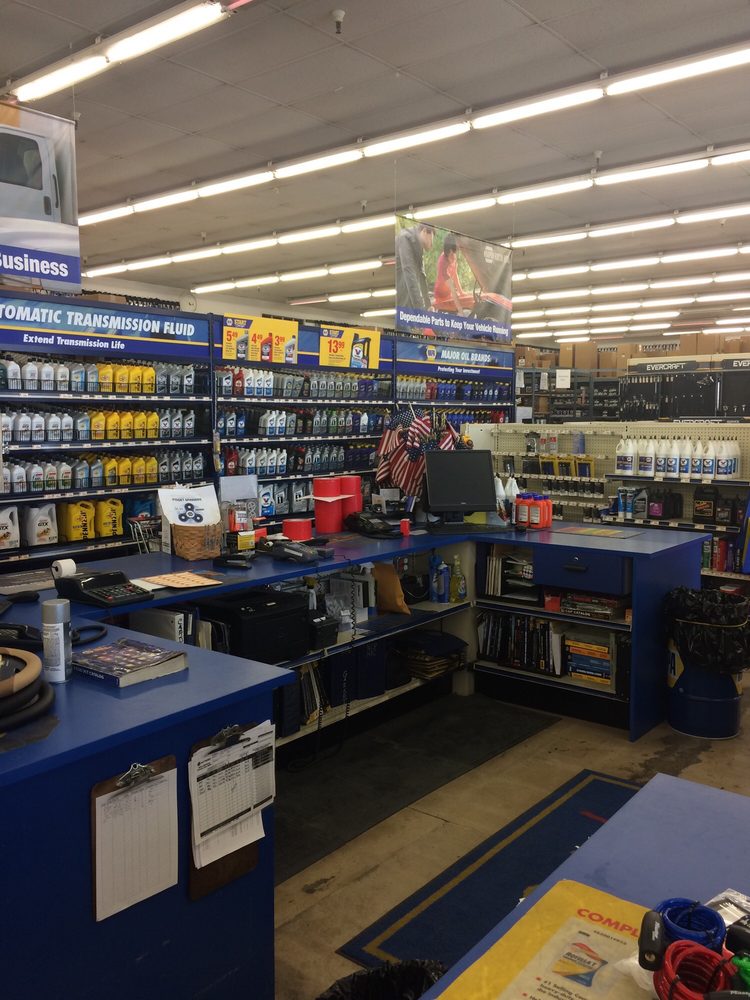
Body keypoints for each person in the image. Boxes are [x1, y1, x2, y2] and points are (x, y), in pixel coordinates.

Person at [395, 222, 434, 310]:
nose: (432, 245)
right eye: (432, 240)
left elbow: (422, 276)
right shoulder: (405, 238)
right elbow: (409, 273)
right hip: (400, 300)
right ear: (424, 231)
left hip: (407, 299)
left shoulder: (418, 246)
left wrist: (428, 305)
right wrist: (419, 310)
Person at [433, 234, 474, 313]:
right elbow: (452, 287)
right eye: (450, 254)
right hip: (440, 296)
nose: (452, 257)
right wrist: (460, 310)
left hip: (449, 294)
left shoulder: (454, 256)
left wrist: (461, 292)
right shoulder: (442, 263)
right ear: (447, 251)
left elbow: (455, 275)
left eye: (453, 253)